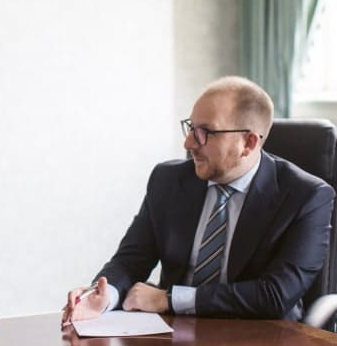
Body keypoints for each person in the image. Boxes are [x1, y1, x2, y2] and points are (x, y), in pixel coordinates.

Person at [62, 76, 335, 325]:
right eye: (191, 128)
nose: (189, 143)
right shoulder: (167, 180)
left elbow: (275, 295)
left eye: (205, 132)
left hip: (265, 345)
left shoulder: (307, 197)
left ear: (248, 143)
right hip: (174, 338)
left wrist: (169, 299)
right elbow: (131, 259)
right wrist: (104, 296)